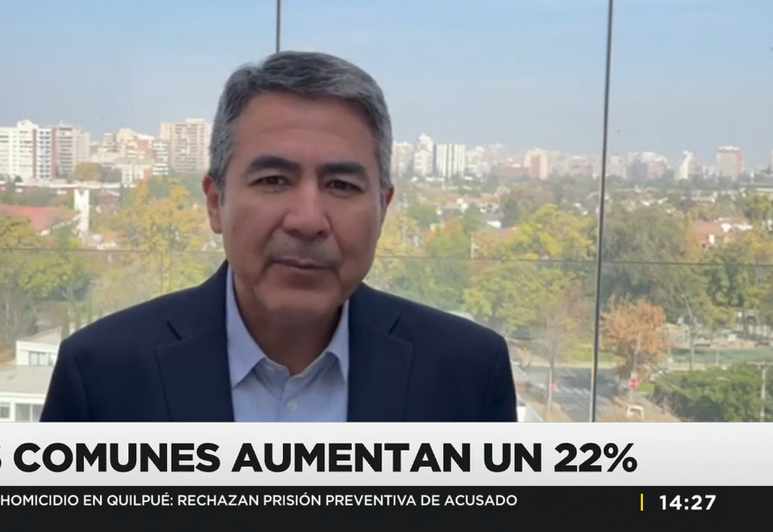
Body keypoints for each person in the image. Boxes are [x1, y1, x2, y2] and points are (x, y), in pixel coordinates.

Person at [41, 51, 517, 422]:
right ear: (215, 202)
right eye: (273, 180)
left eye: (341, 185)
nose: (308, 220)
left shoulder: (468, 375)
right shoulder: (101, 375)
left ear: (383, 208)